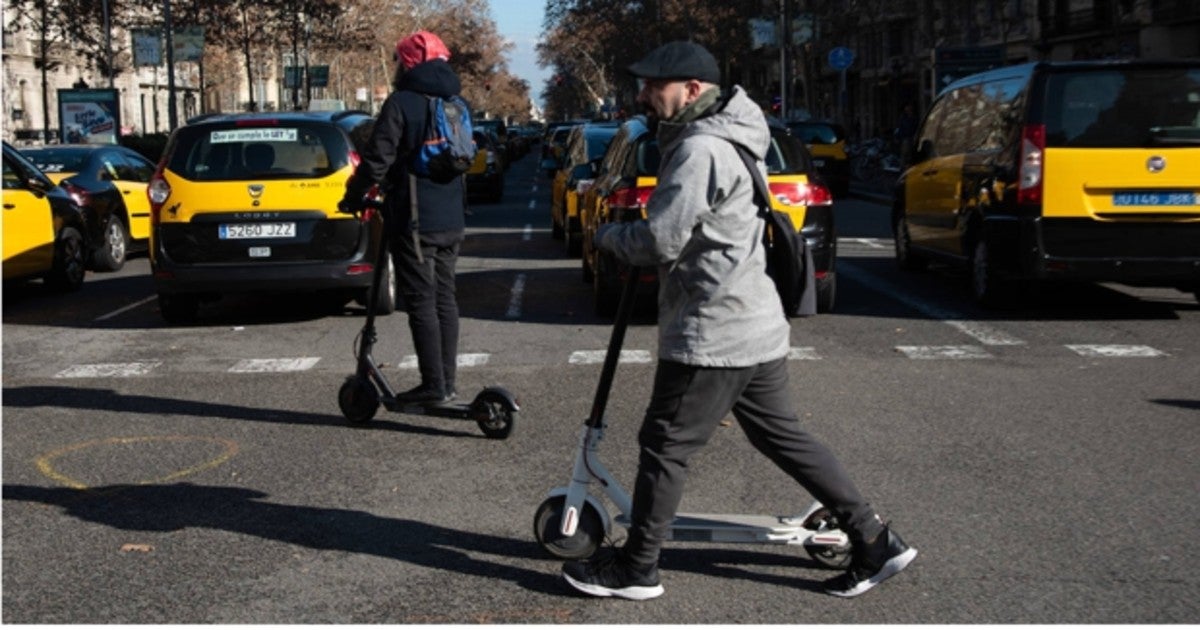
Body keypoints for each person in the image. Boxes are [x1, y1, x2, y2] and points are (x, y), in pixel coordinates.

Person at [561, 40, 917, 601]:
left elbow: (661, 238)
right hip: (755, 322)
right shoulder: (734, 133)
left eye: (655, 86)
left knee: (665, 443)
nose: (644, 95)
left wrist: (607, 235)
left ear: (692, 90)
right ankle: (875, 540)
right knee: (783, 437)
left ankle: (637, 567)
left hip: (715, 330)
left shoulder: (702, 149)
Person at [340, 30, 467, 404]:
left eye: (398, 59)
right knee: (446, 297)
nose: (396, 67)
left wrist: (354, 196)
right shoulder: (456, 101)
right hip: (452, 217)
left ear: (410, 62)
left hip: (414, 218)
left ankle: (432, 386)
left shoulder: (402, 103)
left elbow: (377, 160)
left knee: (421, 300)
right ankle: (448, 382)